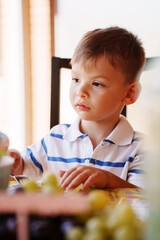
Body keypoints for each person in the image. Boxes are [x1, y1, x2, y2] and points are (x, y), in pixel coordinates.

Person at [10, 26, 146, 191]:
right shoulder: (55, 139)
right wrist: (15, 162)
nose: (80, 91)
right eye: (76, 79)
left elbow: (146, 201)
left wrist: (108, 180)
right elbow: (24, 170)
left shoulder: (141, 149)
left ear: (129, 93)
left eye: (96, 83)